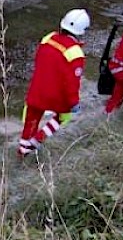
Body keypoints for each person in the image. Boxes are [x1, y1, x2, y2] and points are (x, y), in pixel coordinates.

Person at [18, 8, 90, 158]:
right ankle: (37, 140)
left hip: (37, 89)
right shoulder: (76, 53)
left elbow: (38, 59)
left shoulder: (48, 38)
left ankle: (22, 151)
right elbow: (72, 83)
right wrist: (74, 103)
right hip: (56, 96)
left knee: (31, 121)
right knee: (64, 117)